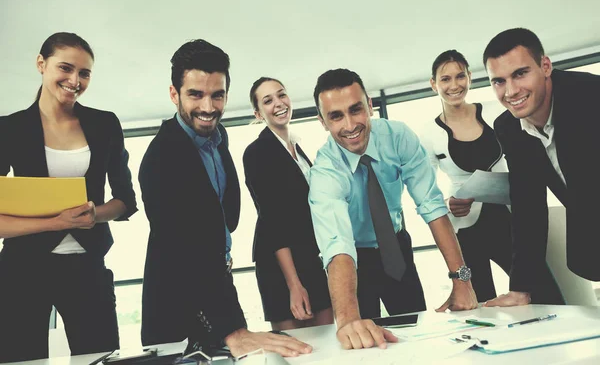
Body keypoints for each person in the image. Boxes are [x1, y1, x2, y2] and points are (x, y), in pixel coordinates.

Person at [139, 40, 311, 358]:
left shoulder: (219, 137)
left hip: (213, 285)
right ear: (174, 94)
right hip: (175, 309)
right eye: (195, 94)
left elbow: (221, 220)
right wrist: (233, 330)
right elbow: (183, 248)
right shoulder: (161, 159)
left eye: (217, 95)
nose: (208, 107)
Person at [308, 68, 478, 350]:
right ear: (322, 122)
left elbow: (431, 205)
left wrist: (462, 280)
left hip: (396, 250)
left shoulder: (397, 137)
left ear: (370, 106)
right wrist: (348, 320)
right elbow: (337, 241)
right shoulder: (325, 170)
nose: (350, 125)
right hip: (353, 262)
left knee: (416, 337)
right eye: (336, 116)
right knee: (362, 345)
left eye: (355, 109)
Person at [0, 32, 138, 362]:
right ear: (41, 64)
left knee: (99, 357)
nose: (75, 80)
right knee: (21, 359)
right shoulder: (10, 129)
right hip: (23, 270)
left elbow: (126, 200)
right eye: (66, 68)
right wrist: (55, 222)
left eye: (85, 73)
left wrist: (96, 215)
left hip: (87, 266)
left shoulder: (105, 124)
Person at [483, 27, 599, 307]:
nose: (511, 91)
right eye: (499, 81)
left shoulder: (591, 96)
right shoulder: (508, 127)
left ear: (545, 66)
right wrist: (520, 288)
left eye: (520, 73)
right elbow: (527, 205)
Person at [420, 49, 513, 302]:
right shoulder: (429, 134)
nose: (454, 85)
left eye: (460, 76)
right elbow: (425, 191)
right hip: (467, 228)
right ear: (433, 84)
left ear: (470, 77)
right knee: (480, 301)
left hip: (510, 219)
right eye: (445, 79)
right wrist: (448, 204)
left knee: (539, 289)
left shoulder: (498, 112)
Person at [243, 77, 333, 331]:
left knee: (327, 340)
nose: (279, 103)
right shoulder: (257, 152)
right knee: (295, 352)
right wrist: (294, 284)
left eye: (281, 95)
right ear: (258, 113)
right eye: (268, 100)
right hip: (280, 265)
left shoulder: (297, 148)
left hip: (309, 256)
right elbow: (272, 219)